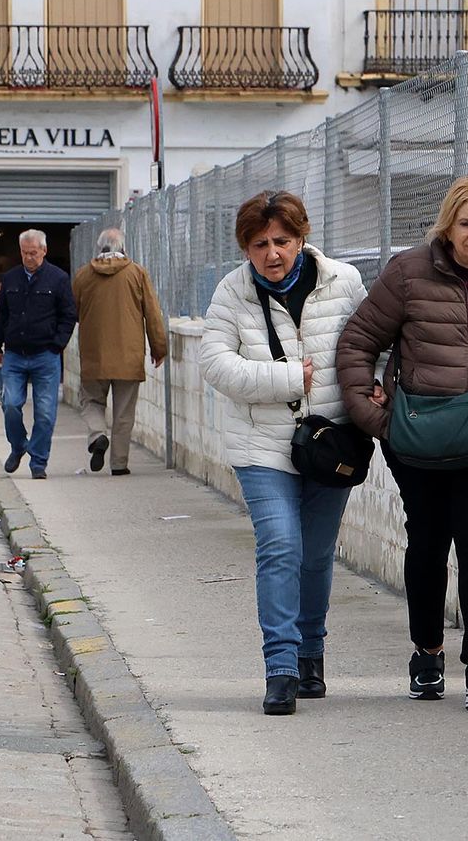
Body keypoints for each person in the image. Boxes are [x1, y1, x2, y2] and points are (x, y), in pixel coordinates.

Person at [336, 175, 468, 712]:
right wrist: (376, 417)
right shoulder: (407, 273)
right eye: (466, 223)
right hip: (417, 439)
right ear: (448, 227)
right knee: (427, 542)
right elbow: (358, 342)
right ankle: (426, 654)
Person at [200, 191, 366, 716]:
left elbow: (371, 346)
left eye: (282, 241)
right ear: (246, 248)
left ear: (302, 238)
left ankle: (312, 653)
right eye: (259, 244)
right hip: (261, 445)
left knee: (315, 556)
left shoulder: (345, 283)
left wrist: (375, 389)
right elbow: (215, 364)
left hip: (328, 443)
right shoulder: (232, 291)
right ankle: (280, 668)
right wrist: (290, 378)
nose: (272, 254)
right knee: (280, 547)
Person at [71, 228, 167, 476]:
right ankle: (119, 464)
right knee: (124, 412)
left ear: (99, 248)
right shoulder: (137, 273)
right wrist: (159, 347)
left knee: (91, 401)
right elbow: (153, 314)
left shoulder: (83, 276)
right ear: (123, 247)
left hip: (94, 355)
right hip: (129, 356)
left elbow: (72, 313)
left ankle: (97, 435)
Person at [0, 229, 76, 480]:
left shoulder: (58, 279)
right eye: (25, 253)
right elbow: (3, 315)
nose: (29, 258)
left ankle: (38, 461)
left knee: (46, 412)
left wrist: (57, 344)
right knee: (10, 404)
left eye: (34, 253)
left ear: (44, 251)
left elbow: (69, 315)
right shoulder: (11, 278)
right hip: (15, 355)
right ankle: (18, 446)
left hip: (45, 355)